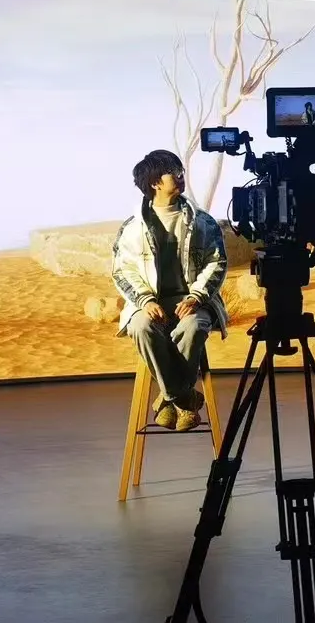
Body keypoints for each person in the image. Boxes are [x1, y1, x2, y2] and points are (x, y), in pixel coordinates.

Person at [110, 150, 229, 432]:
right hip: (150, 303)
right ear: (155, 183)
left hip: (195, 302)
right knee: (140, 327)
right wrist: (144, 300)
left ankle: (168, 397)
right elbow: (122, 270)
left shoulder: (203, 222)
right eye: (173, 172)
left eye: (180, 171)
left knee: (194, 326)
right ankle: (185, 399)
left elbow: (217, 262)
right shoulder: (132, 228)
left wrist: (196, 297)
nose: (180, 176)